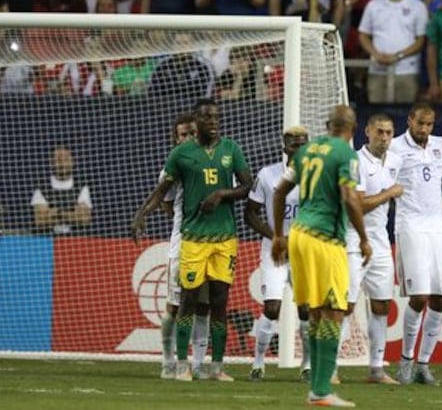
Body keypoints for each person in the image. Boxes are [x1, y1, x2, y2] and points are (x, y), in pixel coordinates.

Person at [132, 98, 253, 382]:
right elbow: (162, 190)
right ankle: (180, 364)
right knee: (185, 301)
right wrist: (141, 215)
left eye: (216, 116)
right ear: (197, 121)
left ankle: (215, 367)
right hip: (192, 239)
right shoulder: (181, 154)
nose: (213, 121)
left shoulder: (231, 149)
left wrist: (221, 194)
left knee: (218, 303)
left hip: (225, 239)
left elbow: (247, 185)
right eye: (207, 117)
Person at [271, 105, 370, 408]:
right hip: (324, 239)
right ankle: (323, 389)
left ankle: (317, 389)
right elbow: (350, 197)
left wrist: (277, 235)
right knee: (334, 311)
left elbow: (279, 191)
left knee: (315, 313)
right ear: (352, 129)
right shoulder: (346, 154)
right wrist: (364, 238)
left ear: (329, 125)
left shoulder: (306, 151)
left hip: (297, 235)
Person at [389, 102, 442, 386]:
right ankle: (405, 362)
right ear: (410, 121)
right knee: (419, 297)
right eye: (420, 124)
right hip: (410, 227)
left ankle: (424, 365)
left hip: (439, 228)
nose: (425, 130)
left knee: (440, 297)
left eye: (429, 124)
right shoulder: (394, 148)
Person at [244, 126, 312, 381]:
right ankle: (258, 363)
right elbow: (250, 213)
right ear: (285, 146)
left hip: (304, 251)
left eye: (303, 144)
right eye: (294, 144)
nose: (299, 149)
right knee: (272, 308)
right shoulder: (268, 175)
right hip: (275, 250)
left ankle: (306, 365)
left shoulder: (316, 176)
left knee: (306, 310)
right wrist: (275, 236)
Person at [342, 113, 403, 384]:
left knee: (381, 305)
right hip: (353, 238)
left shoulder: (395, 161)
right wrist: (390, 193)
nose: (384, 137)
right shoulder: (354, 161)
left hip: (380, 240)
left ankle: (376, 368)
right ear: (367, 131)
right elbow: (358, 203)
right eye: (379, 131)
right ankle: (329, 367)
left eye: (389, 133)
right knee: (345, 304)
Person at [155, 114, 199, 380]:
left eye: (191, 133)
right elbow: (166, 202)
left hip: (209, 242)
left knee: (202, 304)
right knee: (175, 305)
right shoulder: (171, 167)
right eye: (182, 134)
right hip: (182, 243)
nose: (187, 139)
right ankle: (167, 359)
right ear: (175, 138)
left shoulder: (211, 163)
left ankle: (199, 361)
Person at [359, 0, 428, 104]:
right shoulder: (373, 5)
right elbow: (363, 34)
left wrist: (398, 56)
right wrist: (375, 54)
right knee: (377, 115)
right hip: (377, 69)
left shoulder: (418, 6)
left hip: (406, 70)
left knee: (405, 115)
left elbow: (421, 40)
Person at [31, 147, 92, 235]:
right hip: (48, 241)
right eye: (59, 159)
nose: (63, 163)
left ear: (72, 162)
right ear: (51, 163)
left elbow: (84, 219)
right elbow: (40, 221)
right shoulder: (41, 187)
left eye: (66, 159)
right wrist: (72, 214)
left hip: (76, 240)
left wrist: (56, 213)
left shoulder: (82, 186)